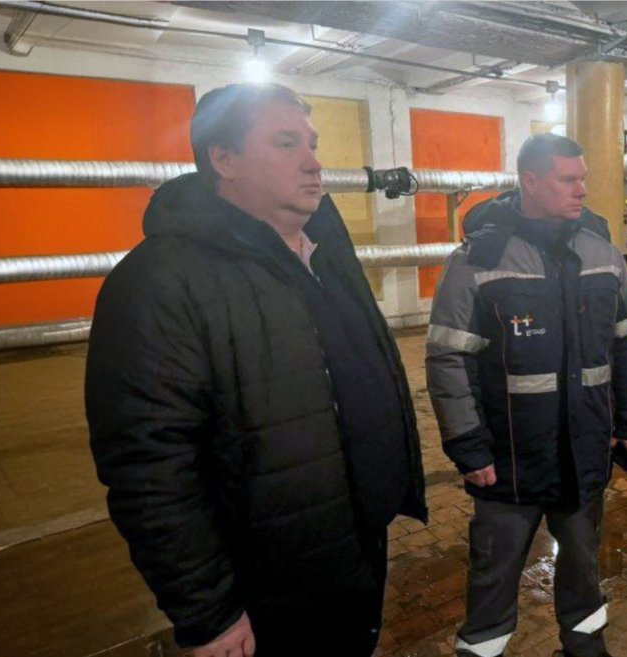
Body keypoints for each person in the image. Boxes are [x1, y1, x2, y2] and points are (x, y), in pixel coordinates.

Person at [85, 82, 427, 657]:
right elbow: (150, 467)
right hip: (262, 583)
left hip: (352, 546)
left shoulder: (325, 255)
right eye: (286, 143)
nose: (313, 162)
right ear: (224, 159)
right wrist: (209, 612)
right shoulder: (158, 282)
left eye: (312, 144)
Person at [425, 133, 627, 657]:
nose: (582, 190)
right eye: (568, 179)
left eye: (583, 179)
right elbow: (448, 359)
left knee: (584, 566)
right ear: (530, 181)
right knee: (494, 575)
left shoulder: (602, 253)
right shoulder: (477, 259)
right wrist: (468, 446)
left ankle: (585, 648)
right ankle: (482, 649)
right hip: (508, 464)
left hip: (585, 452)